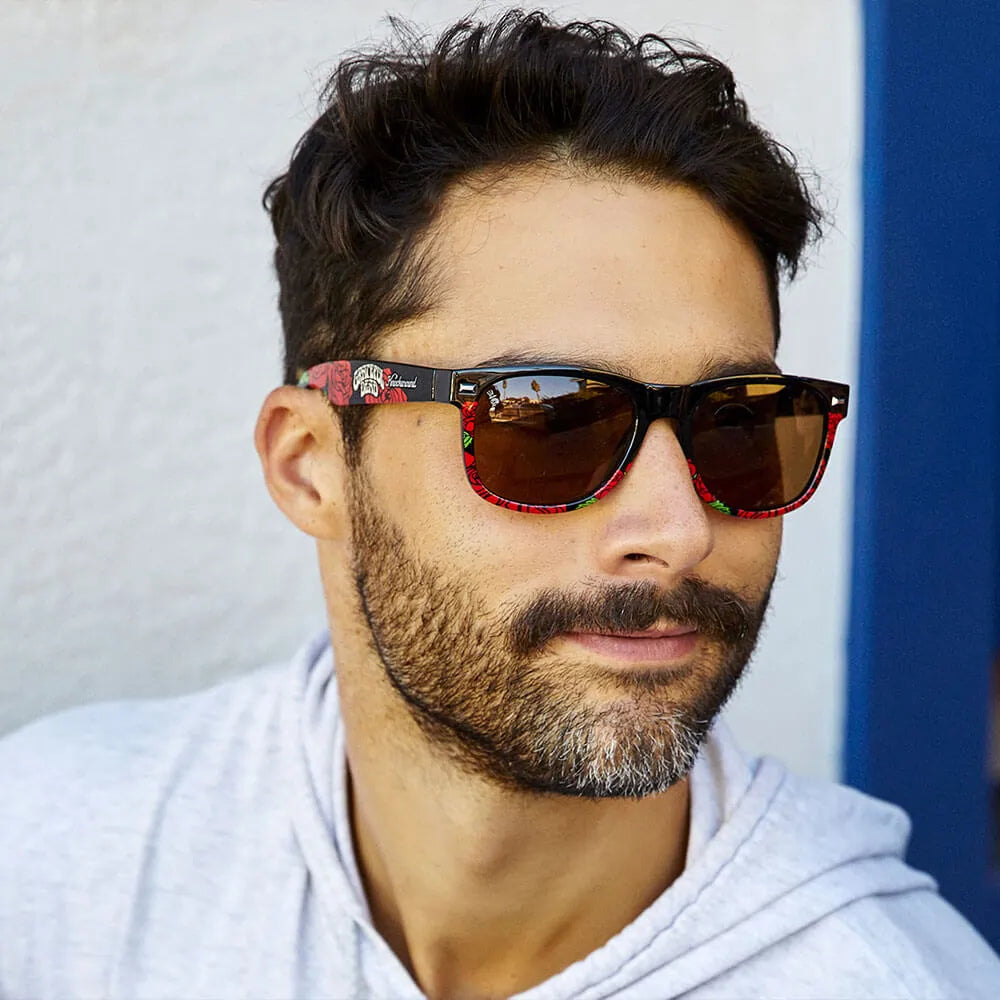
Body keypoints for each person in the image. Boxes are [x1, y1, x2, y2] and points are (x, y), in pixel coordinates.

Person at [1, 9, 998, 999]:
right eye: (550, 421)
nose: (680, 530)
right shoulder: (58, 873)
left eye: (739, 424)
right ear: (312, 465)